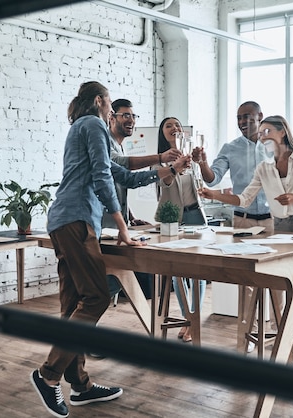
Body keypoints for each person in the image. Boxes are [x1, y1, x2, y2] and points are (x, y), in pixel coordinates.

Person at [30, 81, 190, 418]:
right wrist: (123, 228)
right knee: (97, 298)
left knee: (73, 304)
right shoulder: (92, 124)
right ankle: (48, 376)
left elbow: (121, 172)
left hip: (64, 220)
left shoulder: (82, 127)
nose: (114, 111)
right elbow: (105, 178)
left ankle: (81, 385)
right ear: (101, 101)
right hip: (76, 221)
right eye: (112, 105)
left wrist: (167, 168)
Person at [199, 115, 293, 369]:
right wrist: (213, 194)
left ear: (282, 132)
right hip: (279, 229)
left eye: (267, 130)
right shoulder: (264, 168)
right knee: (291, 288)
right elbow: (244, 199)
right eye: (260, 134)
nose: (262, 136)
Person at [192, 101, 278, 353]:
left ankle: (280, 332)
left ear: (260, 117)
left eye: (248, 117)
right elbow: (213, 177)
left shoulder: (274, 146)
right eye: (239, 118)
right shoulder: (230, 148)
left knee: (276, 280)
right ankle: (247, 336)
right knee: (247, 281)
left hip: (273, 221)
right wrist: (203, 163)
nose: (242, 122)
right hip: (242, 220)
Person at [103, 98, 182, 303]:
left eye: (133, 116)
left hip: (117, 224)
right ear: (111, 117)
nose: (131, 120)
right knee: (105, 286)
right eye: (125, 115)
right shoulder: (106, 144)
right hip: (104, 226)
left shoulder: (120, 146)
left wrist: (130, 217)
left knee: (111, 283)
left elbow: (117, 188)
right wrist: (162, 159)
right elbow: (124, 172)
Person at [154, 116, 207, 343]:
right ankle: (189, 320)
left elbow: (205, 180)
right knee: (177, 271)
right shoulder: (158, 162)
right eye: (168, 126)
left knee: (199, 272)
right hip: (171, 217)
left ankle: (192, 322)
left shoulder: (192, 156)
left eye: (177, 125)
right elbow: (165, 183)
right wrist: (175, 168)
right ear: (163, 133)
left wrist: (198, 162)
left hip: (195, 214)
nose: (174, 128)